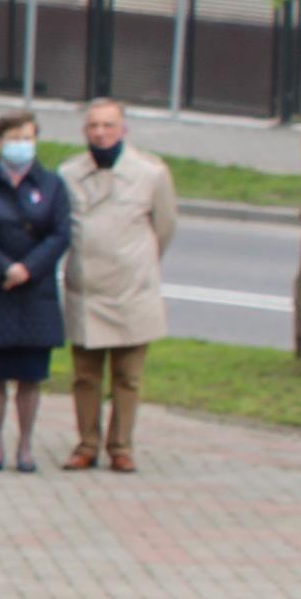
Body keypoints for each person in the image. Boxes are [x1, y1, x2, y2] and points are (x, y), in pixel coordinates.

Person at [61, 100, 175, 473]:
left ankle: (121, 446)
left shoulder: (151, 173)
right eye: (93, 125)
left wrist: (135, 264)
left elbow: (164, 229)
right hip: (86, 290)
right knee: (85, 376)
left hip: (131, 291)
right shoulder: (68, 174)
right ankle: (86, 444)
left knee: (128, 376)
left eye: (109, 125)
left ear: (123, 129)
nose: (100, 132)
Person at [0, 114, 72, 474]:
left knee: (30, 376)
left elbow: (60, 234)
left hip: (33, 294)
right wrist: (3, 268)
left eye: (27, 137)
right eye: (13, 137)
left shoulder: (53, 185)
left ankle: (25, 448)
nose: (21, 144)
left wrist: (28, 268)